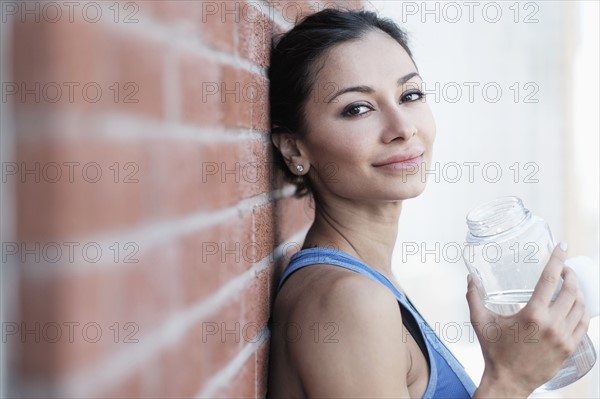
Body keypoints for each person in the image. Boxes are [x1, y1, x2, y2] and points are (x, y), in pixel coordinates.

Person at [267, 8, 590, 398]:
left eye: (410, 95)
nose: (403, 128)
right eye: (357, 108)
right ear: (293, 147)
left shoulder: (368, 283)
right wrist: (509, 381)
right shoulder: (348, 301)